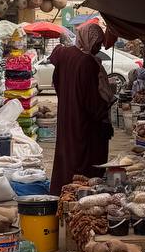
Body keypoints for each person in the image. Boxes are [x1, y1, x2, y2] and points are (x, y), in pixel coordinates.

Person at [49, 23, 115, 194]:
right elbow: (92, 100)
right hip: (85, 122)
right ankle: (81, 194)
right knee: (84, 159)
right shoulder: (87, 62)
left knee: (66, 154)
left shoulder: (65, 54)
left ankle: (62, 191)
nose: (98, 48)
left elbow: (57, 80)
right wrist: (103, 116)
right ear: (88, 39)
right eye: (97, 44)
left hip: (67, 113)